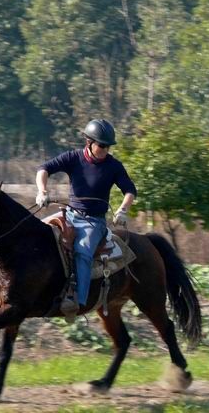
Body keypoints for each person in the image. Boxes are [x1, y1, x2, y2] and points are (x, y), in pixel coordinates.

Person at [35, 119, 137, 319]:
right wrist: (42, 191)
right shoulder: (73, 158)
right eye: (102, 145)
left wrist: (123, 210)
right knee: (37, 232)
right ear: (89, 142)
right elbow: (43, 169)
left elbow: (129, 190)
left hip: (94, 222)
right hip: (70, 215)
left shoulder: (114, 166)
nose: (105, 149)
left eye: (108, 146)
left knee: (82, 251)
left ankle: (78, 302)